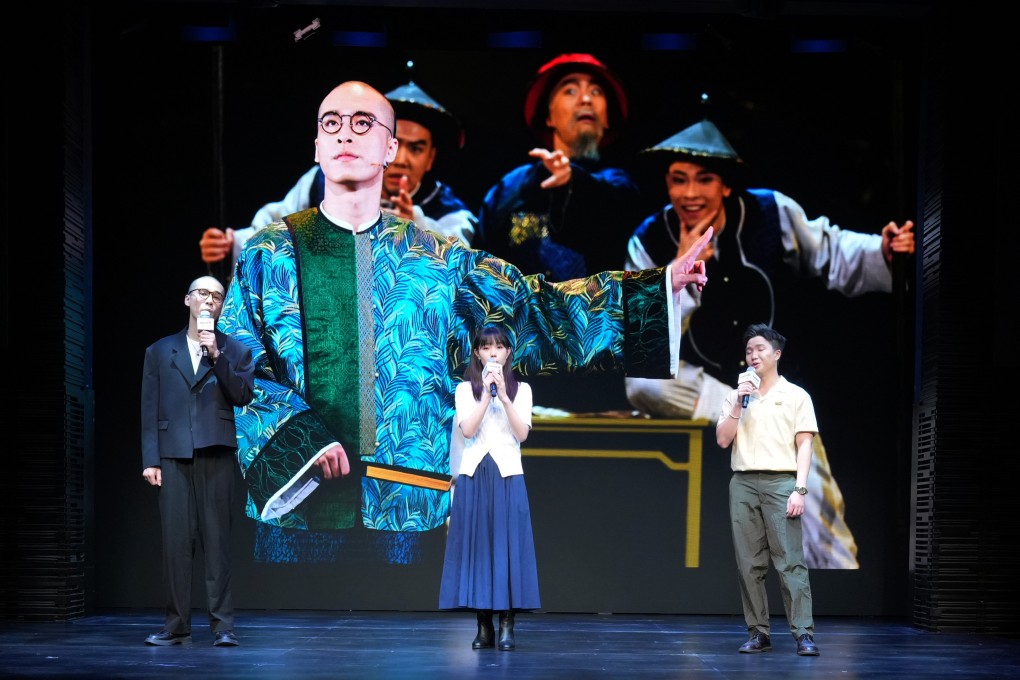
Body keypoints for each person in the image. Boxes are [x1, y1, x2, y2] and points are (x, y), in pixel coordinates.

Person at [216, 80, 712, 545]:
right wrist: (302, 439)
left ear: (390, 148)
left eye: (363, 122)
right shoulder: (268, 255)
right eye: (332, 123)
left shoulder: (439, 259)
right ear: (317, 146)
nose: (346, 132)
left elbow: (533, 308)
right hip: (300, 511)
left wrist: (660, 287)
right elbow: (238, 361)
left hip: (409, 514)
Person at [624, 116, 916, 569]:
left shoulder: (769, 212)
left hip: (769, 387)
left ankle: (838, 584)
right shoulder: (648, 240)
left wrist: (882, 251)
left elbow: (831, 250)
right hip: (707, 387)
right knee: (644, 383)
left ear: (724, 186)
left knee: (812, 491)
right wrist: (677, 278)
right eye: (678, 180)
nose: (690, 194)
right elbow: (646, 343)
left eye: (704, 179)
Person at [199, 80, 477, 269]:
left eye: (416, 149)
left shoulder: (448, 210)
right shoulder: (322, 182)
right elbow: (277, 224)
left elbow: (461, 262)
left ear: (430, 158)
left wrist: (415, 225)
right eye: (396, 144)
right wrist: (230, 245)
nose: (402, 160)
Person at [140, 275, 255, 647]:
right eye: (203, 294)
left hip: (216, 453)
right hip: (172, 456)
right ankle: (175, 625)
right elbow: (149, 408)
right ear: (188, 300)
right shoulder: (159, 351)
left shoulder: (235, 351)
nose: (210, 300)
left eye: (218, 296)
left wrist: (217, 357)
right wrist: (150, 459)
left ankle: (224, 627)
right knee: (176, 544)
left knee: (217, 543)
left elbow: (242, 396)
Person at [475, 53, 642, 281]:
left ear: (607, 120)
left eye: (596, 92)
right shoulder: (510, 188)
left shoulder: (619, 187)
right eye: (570, 90)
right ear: (548, 117)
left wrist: (573, 182)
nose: (586, 99)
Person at [715, 323, 820, 657]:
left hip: (781, 482)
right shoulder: (736, 395)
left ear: (777, 353)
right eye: (748, 350)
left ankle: (803, 633)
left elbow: (805, 445)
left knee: (789, 561)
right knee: (749, 563)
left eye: (759, 348)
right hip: (743, 482)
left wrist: (799, 489)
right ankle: (758, 632)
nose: (753, 354)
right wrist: (737, 402)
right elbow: (722, 439)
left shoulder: (796, 396)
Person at [439, 324, 539, 651]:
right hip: (474, 475)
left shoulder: (521, 390)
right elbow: (467, 430)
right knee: (478, 548)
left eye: (498, 347)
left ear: (508, 352)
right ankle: (484, 625)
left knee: (508, 546)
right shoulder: (465, 390)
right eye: (485, 348)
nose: (492, 353)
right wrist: (485, 393)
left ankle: (507, 622)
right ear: (478, 354)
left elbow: (522, 433)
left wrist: (504, 396)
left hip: (508, 474)